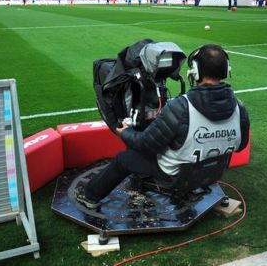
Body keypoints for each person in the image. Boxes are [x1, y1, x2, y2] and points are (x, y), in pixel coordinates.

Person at [77, 44, 251, 209]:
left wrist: (125, 132)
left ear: (195, 71)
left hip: (176, 173)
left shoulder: (182, 107)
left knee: (125, 159)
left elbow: (145, 145)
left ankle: (89, 196)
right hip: (213, 171)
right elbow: (241, 145)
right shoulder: (239, 106)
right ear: (227, 70)